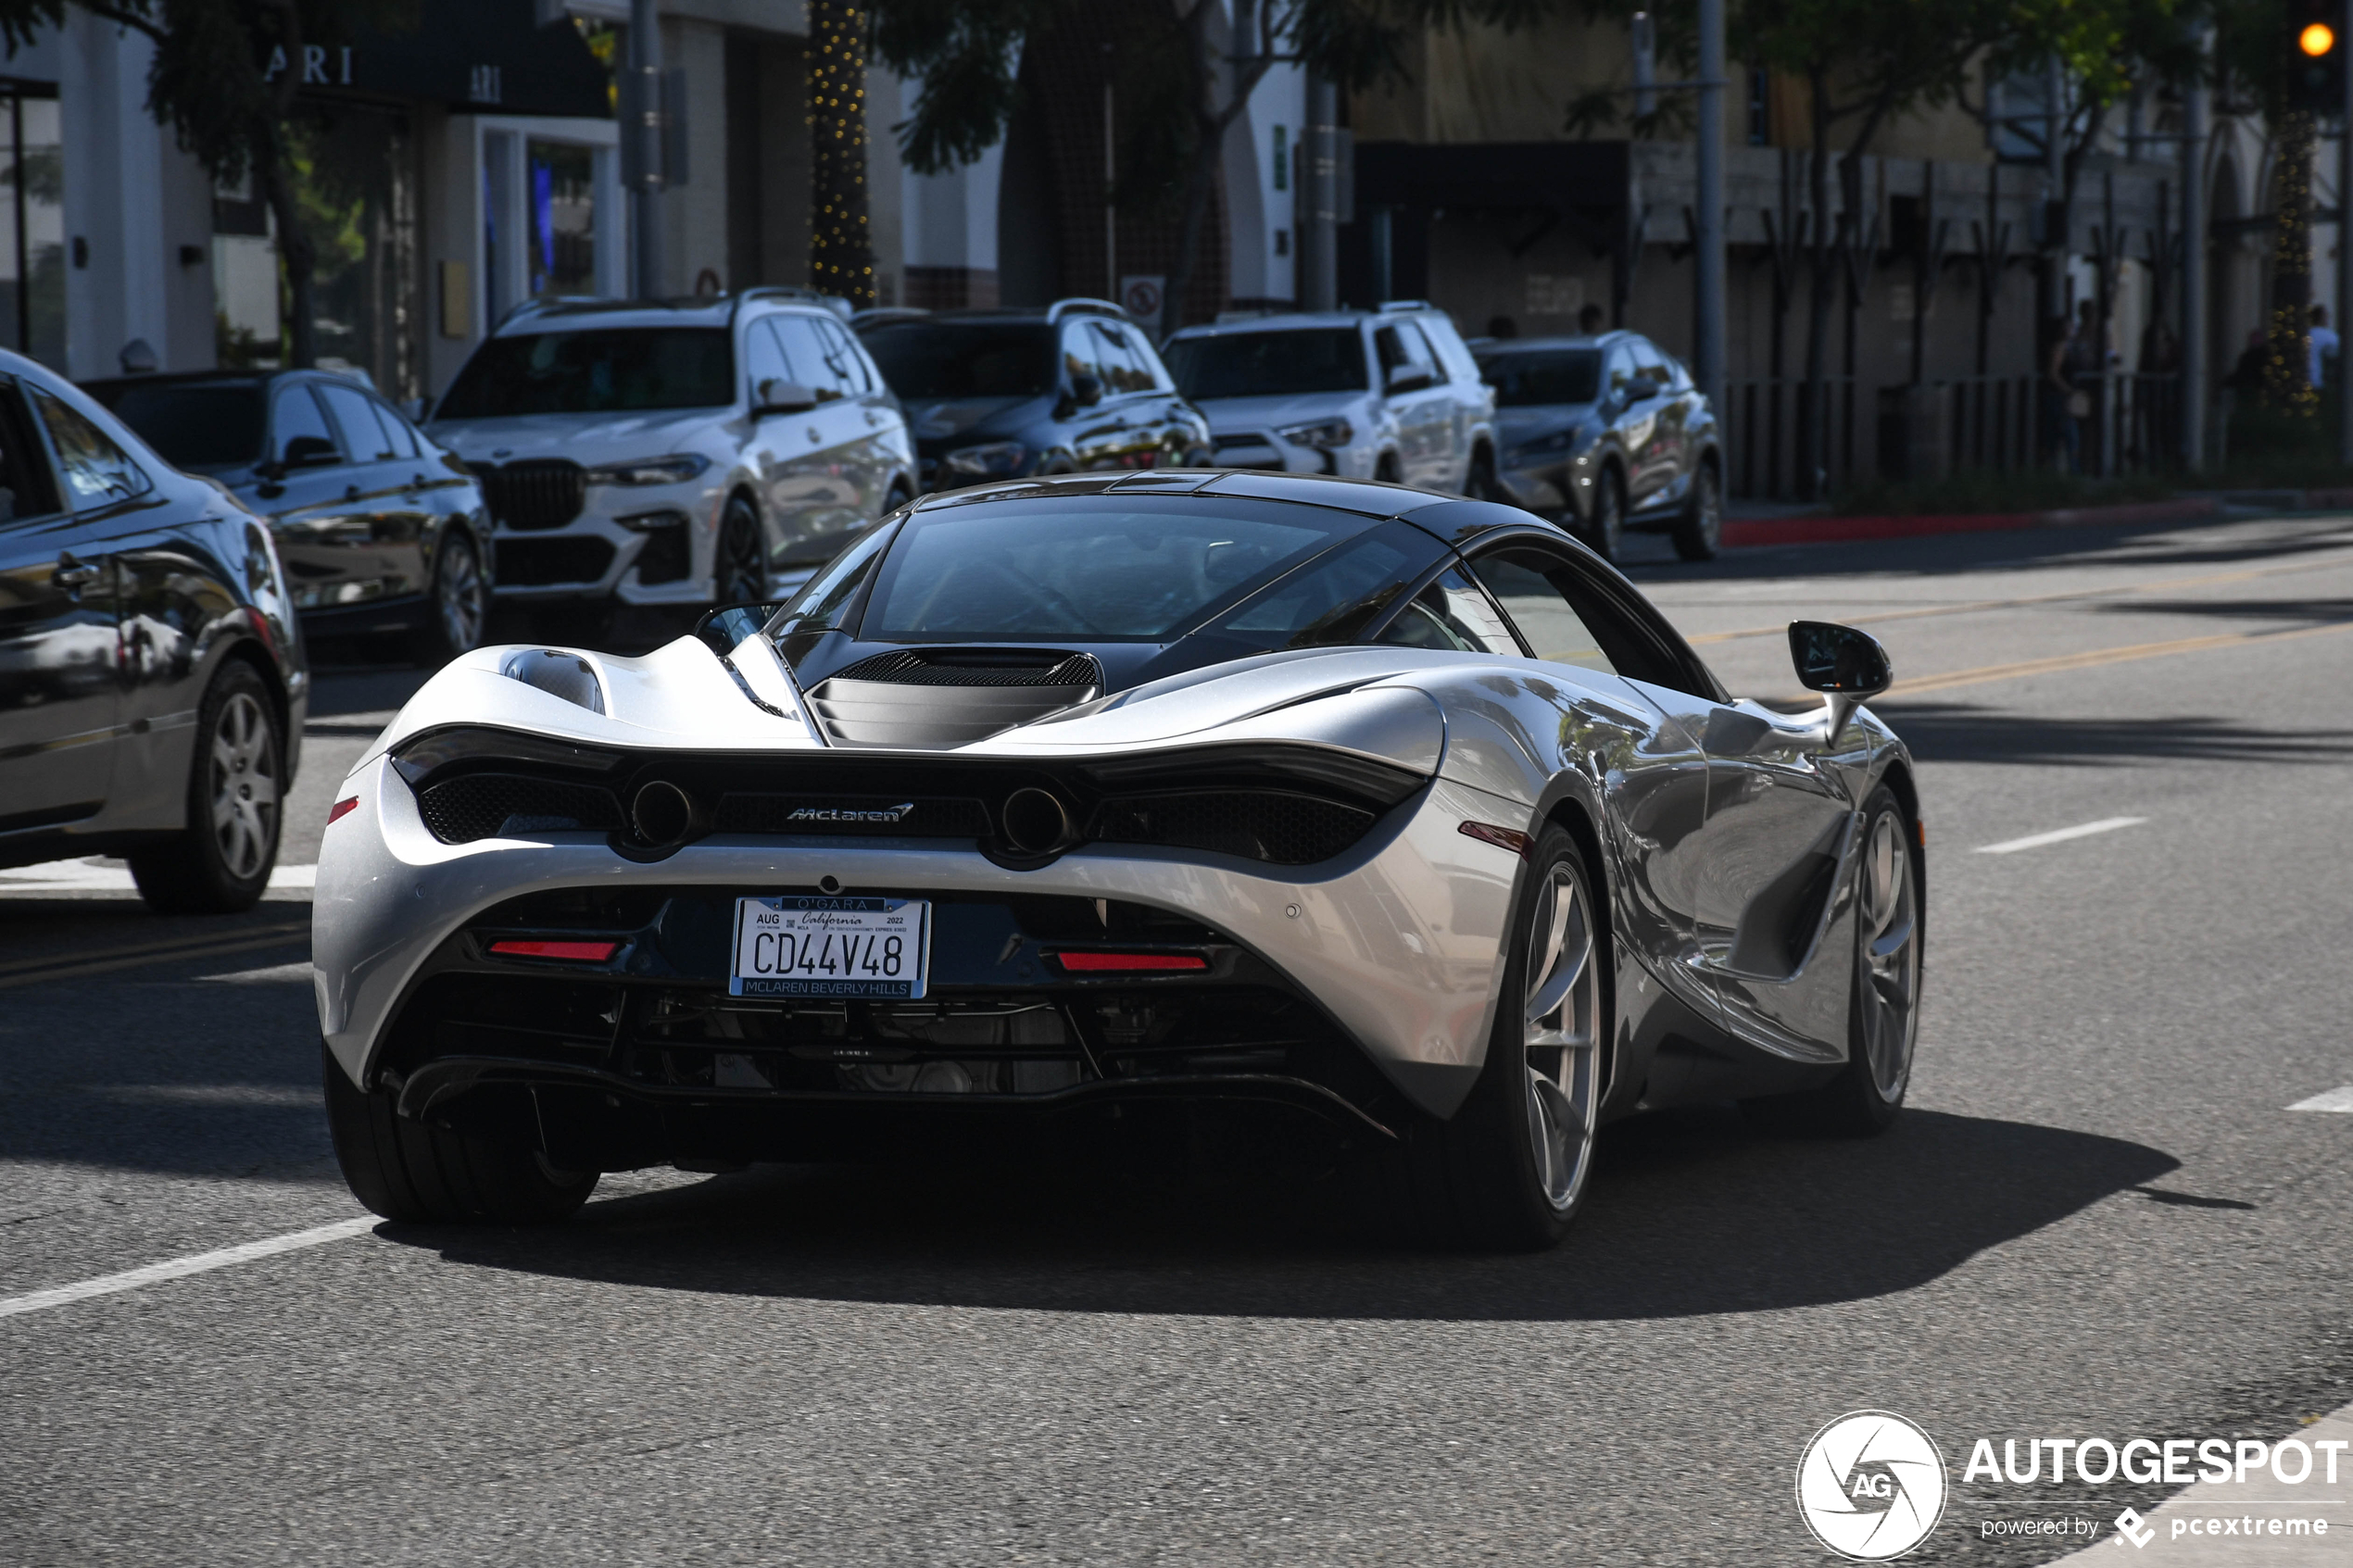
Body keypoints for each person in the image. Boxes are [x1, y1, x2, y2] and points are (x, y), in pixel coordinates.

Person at [2047, 303, 2101, 473]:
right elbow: (2053, 373)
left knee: (2066, 435)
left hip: (2069, 395)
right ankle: (2073, 473)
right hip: (2062, 396)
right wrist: (2069, 390)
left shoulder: (2070, 346)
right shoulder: (2060, 347)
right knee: (2069, 436)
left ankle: (2068, 471)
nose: (2073, 328)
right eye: (2069, 326)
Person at [2310, 304, 2339, 389]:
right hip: (2318, 381)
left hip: (2305, 380)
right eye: (2327, 316)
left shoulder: (2307, 333)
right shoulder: (2328, 336)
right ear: (2322, 317)